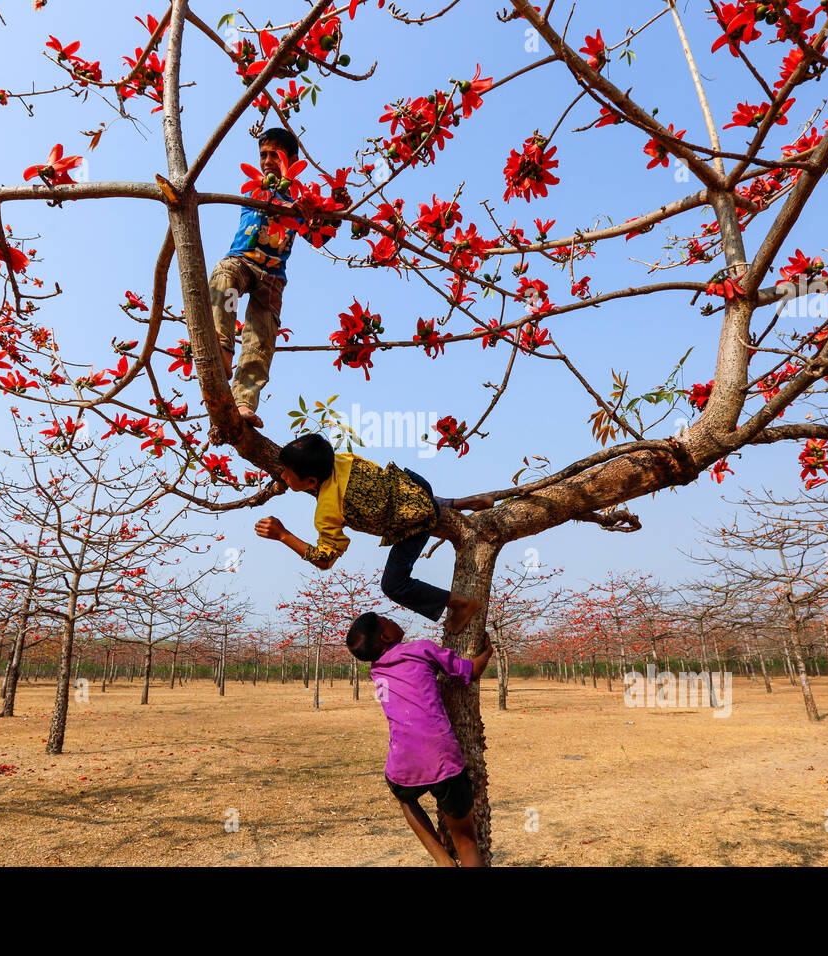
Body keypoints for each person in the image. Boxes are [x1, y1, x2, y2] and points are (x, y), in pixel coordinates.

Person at [255, 433, 491, 633]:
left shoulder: (327, 511)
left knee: (394, 585)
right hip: (415, 483)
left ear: (310, 481)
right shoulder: (343, 459)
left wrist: (283, 535)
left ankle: (460, 604)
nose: (282, 477)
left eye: (286, 473)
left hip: (413, 522)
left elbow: (325, 559)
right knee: (410, 497)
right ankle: (460, 503)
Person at [210, 128, 349, 429]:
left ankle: (244, 403)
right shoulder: (255, 185)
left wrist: (336, 211)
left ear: (293, 159)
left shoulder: (301, 201)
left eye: (275, 154)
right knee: (225, 282)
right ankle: (221, 348)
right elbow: (271, 203)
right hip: (243, 264)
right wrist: (297, 209)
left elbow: (317, 237)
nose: (268, 161)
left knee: (261, 340)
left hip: (272, 278)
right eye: (263, 155)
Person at [346, 611, 493, 867]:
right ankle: (451, 858)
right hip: (442, 758)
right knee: (467, 843)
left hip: (403, 761)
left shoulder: (377, 671)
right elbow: (470, 673)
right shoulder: (421, 650)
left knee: (405, 797)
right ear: (386, 635)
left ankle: (441, 859)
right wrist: (487, 653)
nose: (392, 619)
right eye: (386, 620)